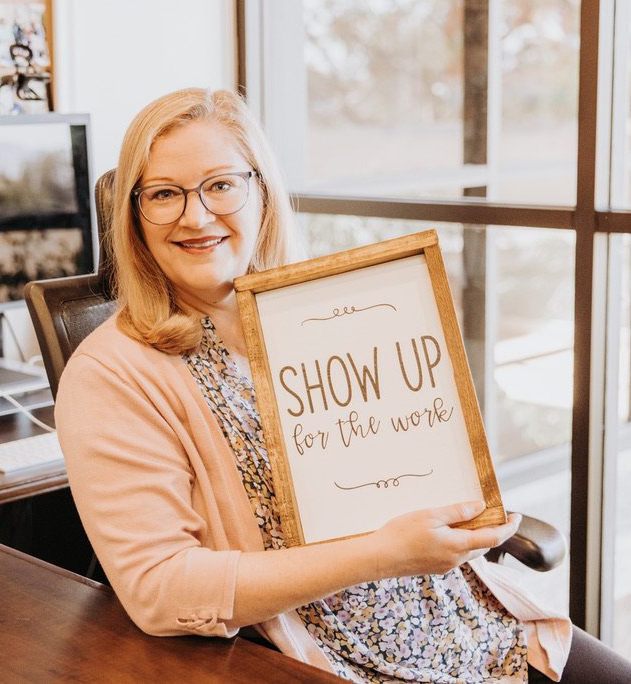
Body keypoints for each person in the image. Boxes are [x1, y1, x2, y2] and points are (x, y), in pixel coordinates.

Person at [54, 87, 631, 682]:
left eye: (221, 185)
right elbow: (161, 589)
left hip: (466, 618)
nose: (196, 216)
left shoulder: (326, 315)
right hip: (336, 656)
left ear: (261, 194)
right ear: (133, 215)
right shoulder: (110, 375)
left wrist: (454, 489)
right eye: (164, 194)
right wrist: (383, 555)